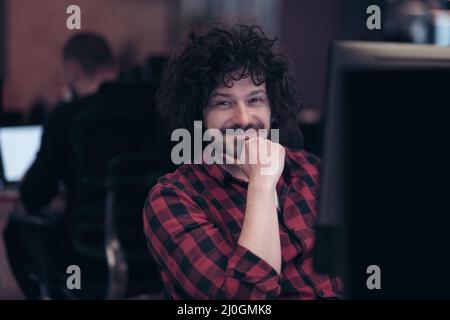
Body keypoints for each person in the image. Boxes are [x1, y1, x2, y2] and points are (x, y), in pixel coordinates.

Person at [143, 23, 342, 299]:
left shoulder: (314, 171)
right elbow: (246, 302)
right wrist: (261, 184)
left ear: (273, 109)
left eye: (255, 100)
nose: (244, 118)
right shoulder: (172, 199)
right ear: (199, 117)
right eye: (223, 103)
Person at [4, 32, 117, 299]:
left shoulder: (66, 115)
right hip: (146, 248)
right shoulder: (145, 109)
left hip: (86, 249)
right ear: (112, 67)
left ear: (72, 69)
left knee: (14, 229)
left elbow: (33, 195)